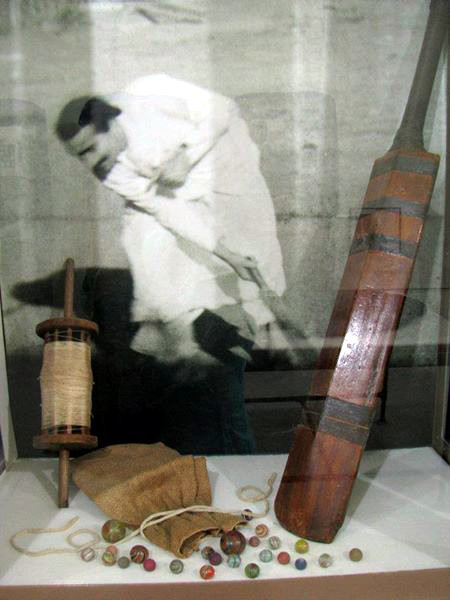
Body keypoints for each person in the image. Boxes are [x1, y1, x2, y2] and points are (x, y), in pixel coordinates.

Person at [56, 74, 287, 454]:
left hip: (230, 178)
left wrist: (186, 152)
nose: (92, 164)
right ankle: (182, 337)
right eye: (81, 156)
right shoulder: (112, 170)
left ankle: (254, 329)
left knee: (248, 274)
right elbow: (165, 210)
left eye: (92, 149)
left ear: (110, 122)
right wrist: (221, 251)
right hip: (181, 198)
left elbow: (223, 109)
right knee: (144, 237)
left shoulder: (150, 92)